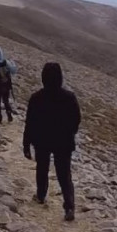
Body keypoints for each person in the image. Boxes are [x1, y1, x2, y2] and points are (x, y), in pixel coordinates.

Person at [22, 62, 81, 221]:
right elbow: (76, 119)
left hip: (42, 140)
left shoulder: (36, 98)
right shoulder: (69, 98)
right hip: (63, 141)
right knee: (64, 174)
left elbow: (30, 122)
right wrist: (70, 133)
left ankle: (41, 195)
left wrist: (26, 144)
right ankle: (69, 206)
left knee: (42, 168)